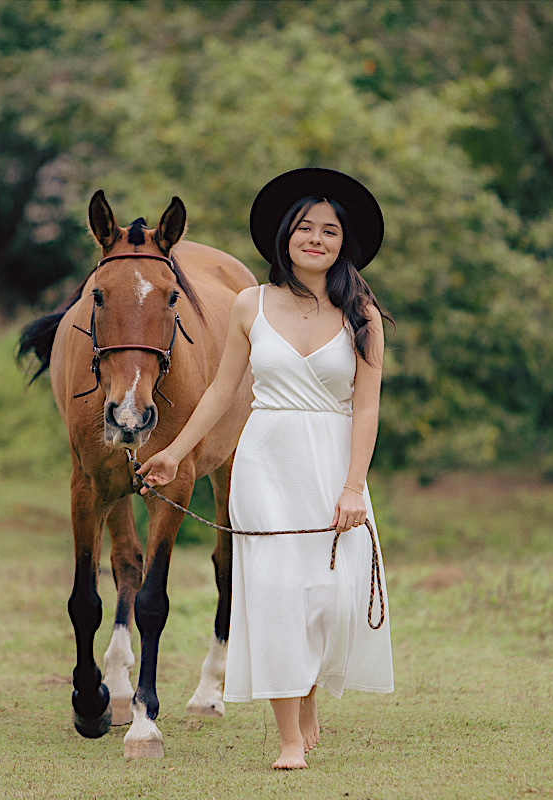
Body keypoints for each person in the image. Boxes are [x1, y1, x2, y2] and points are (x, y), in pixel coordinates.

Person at [137, 167, 394, 770]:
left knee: (329, 596)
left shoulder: (363, 312)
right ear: (284, 237)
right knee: (279, 593)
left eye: (329, 231)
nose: (316, 239)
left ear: (343, 243)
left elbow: (367, 404)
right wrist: (174, 453)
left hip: (333, 459)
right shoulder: (251, 304)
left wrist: (354, 484)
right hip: (267, 460)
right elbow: (223, 392)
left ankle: (307, 705)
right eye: (304, 227)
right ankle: (286, 738)